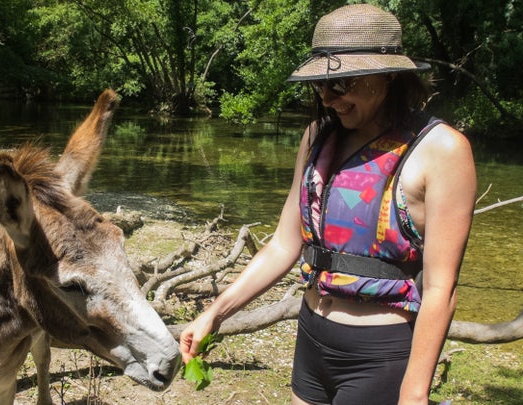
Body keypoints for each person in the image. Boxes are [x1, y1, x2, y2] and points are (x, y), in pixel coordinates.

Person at [179, 4, 477, 405]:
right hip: (312, 340)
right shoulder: (317, 136)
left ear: (390, 73)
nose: (328, 96)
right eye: (321, 84)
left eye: (342, 83)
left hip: (381, 352)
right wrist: (214, 313)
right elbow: (285, 245)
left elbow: (442, 287)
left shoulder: (442, 150)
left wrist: (415, 391)